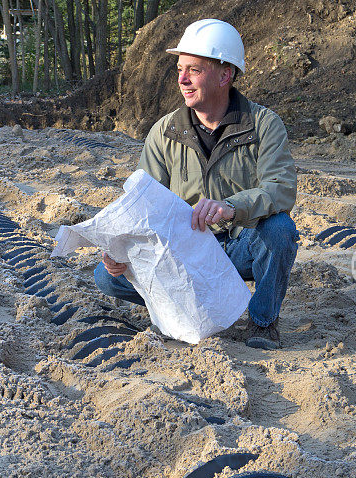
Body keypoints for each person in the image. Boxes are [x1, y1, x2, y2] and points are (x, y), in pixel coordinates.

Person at [94, 18, 298, 349]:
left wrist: (232, 208)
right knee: (107, 276)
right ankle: (182, 307)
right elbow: (143, 204)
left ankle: (263, 322)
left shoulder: (263, 124)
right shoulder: (163, 132)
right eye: (180, 69)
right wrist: (120, 248)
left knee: (279, 230)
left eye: (194, 70)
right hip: (185, 257)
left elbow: (281, 188)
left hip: (238, 247)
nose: (182, 79)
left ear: (224, 75)